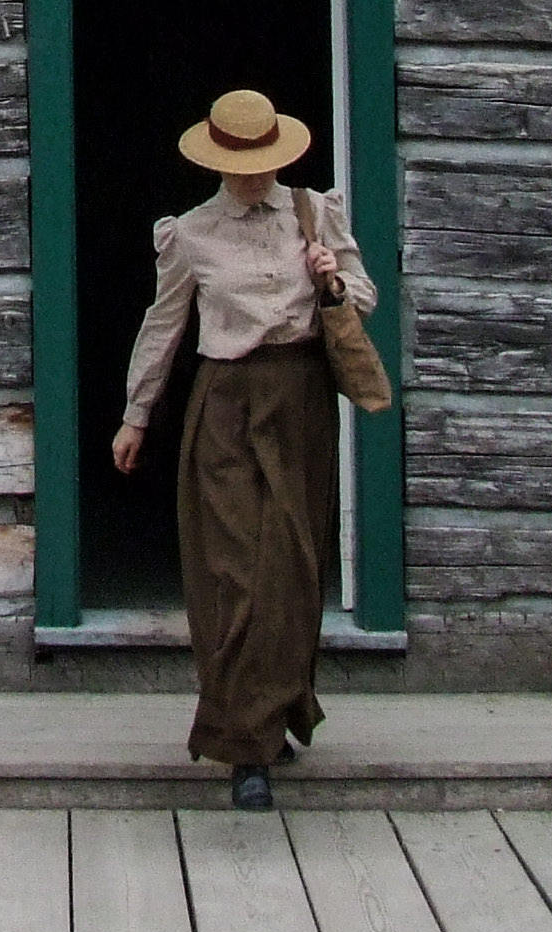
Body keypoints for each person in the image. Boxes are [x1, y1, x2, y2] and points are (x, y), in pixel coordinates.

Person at [110, 87, 375, 810]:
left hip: (300, 403)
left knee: (290, 569)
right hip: (224, 405)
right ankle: (243, 748)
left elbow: (364, 296)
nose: (255, 176)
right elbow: (163, 325)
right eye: (242, 164)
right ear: (218, 160)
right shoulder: (191, 233)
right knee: (235, 574)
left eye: (265, 162)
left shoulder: (315, 212)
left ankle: (271, 713)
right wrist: (136, 415)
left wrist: (330, 278)